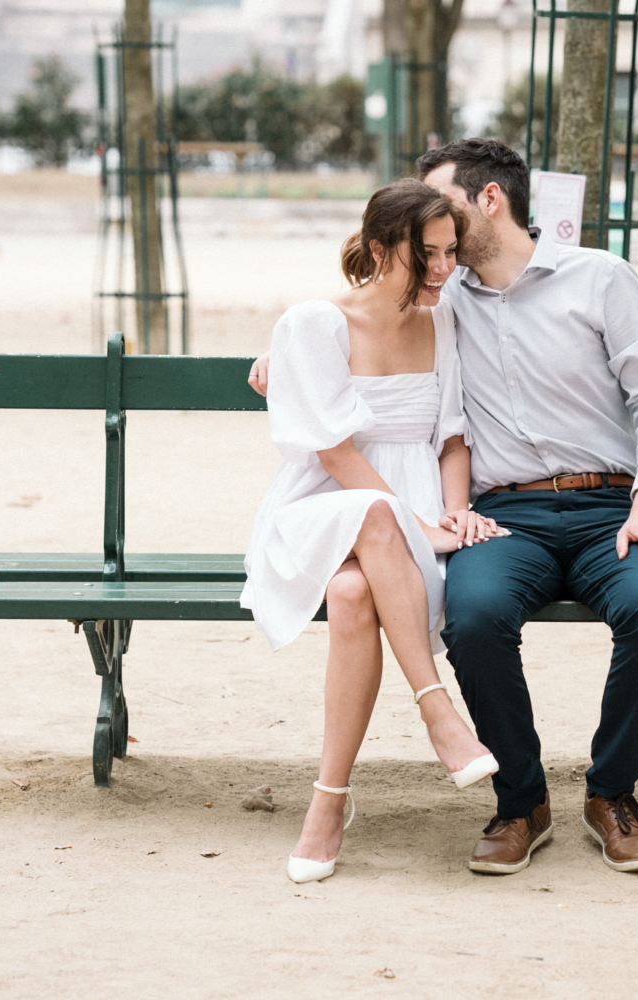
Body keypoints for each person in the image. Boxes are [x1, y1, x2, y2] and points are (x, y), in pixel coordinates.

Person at [250, 139, 638, 877]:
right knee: (477, 616)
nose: (441, 247)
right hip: (502, 515)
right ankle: (521, 801)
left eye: (446, 214)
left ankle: (612, 792)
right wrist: (270, 361)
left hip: (609, 507)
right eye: (432, 240)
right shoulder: (441, 294)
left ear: (489, 200)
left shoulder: (599, 279)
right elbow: (353, 310)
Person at [243, 178, 507, 885]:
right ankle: (440, 713)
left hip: (408, 518)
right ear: (382, 249)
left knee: (356, 596)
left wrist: (451, 512)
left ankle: (327, 803)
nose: (446, 269)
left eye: (452, 252)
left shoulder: (443, 317)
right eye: (430, 255)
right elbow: (334, 454)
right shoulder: (314, 323)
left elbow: (452, 438)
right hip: (325, 506)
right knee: (379, 517)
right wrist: (416, 522)